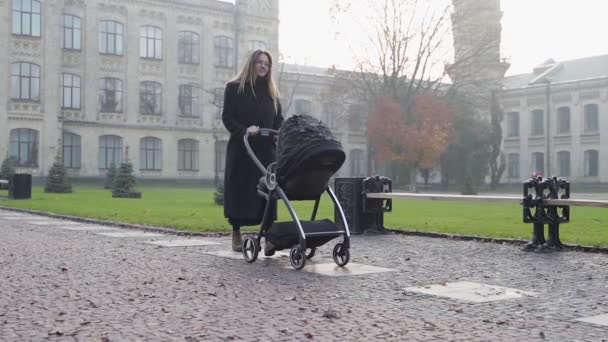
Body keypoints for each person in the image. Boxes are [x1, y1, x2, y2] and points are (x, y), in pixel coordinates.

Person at [221, 49, 283, 252]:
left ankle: (269, 237)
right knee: (241, 190)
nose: (264, 66)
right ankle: (237, 232)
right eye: (260, 62)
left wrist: (278, 133)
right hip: (242, 149)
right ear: (252, 64)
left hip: (266, 151)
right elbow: (228, 118)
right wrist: (245, 130)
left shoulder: (272, 93)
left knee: (267, 192)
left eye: (267, 63)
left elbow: (278, 119)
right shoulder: (234, 88)